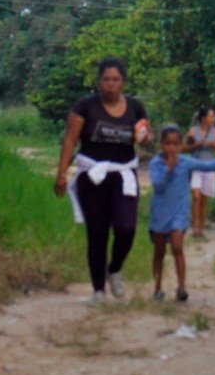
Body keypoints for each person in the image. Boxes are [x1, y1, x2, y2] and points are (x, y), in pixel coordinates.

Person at [55, 57, 151, 304]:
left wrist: (146, 137)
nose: (111, 84)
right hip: (93, 176)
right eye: (106, 80)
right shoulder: (85, 107)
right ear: (99, 82)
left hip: (124, 175)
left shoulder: (135, 107)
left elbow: (145, 134)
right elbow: (70, 140)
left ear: (123, 82)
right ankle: (98, 290)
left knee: (126, 229)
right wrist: (62, 174)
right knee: (97, 234)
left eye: (116, 80)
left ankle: (115, 269)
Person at [147, 125, 215, 302]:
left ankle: (181, 287)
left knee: (177, 247)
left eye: (175, 144)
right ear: (161, 145)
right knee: (159, 251)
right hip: (160, 213)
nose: (171, 148)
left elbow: (207, 165)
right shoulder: (155, 163)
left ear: (180, 146)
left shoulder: (185, 162)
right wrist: (168, 169)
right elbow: (158, 186)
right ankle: (157, 286)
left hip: (178, 212)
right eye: (167, 144)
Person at [184, 106, 215, 240]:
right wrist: (196, 144)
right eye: (211, 116)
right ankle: (195, 227)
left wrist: (214, 145)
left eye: (214, 116)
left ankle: (201, 228)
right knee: (196, 196)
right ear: (203, 118)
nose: (213, 119)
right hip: (196, 166)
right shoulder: (192, 131)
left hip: (210, 167)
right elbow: (184, 148)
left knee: (204, 199)